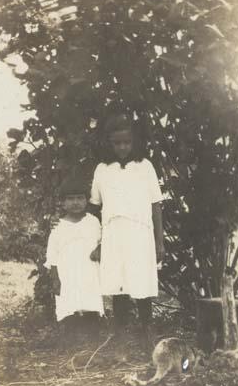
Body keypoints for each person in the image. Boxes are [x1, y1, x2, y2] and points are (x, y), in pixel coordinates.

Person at [89, 108, 164, 352]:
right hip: (113, 233)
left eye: (127, 142)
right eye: (117, 143)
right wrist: (98, 241)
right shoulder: (102, 169)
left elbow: (156, 204)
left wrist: (159, 240)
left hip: (140, 232)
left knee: (141, 281)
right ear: (109, 143)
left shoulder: (145, 167)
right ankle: (120, 333)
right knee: (118, 283)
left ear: (134, 142)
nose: (122, 147)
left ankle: (147, 332)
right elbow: (95, 207)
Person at [44, 178, 104, 348]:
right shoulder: (58, 227)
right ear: (62, 203)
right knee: (69, 307)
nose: (75, 202)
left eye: (79, 198)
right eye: (70, 199)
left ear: (86, 200)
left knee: (90, 304)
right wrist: (55, 279)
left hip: (89, 274)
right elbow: (52, 256)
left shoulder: (93, 221)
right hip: (67, 276)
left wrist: (99, 249)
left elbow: (102, 241)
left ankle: (93, 345)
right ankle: (71, 345)